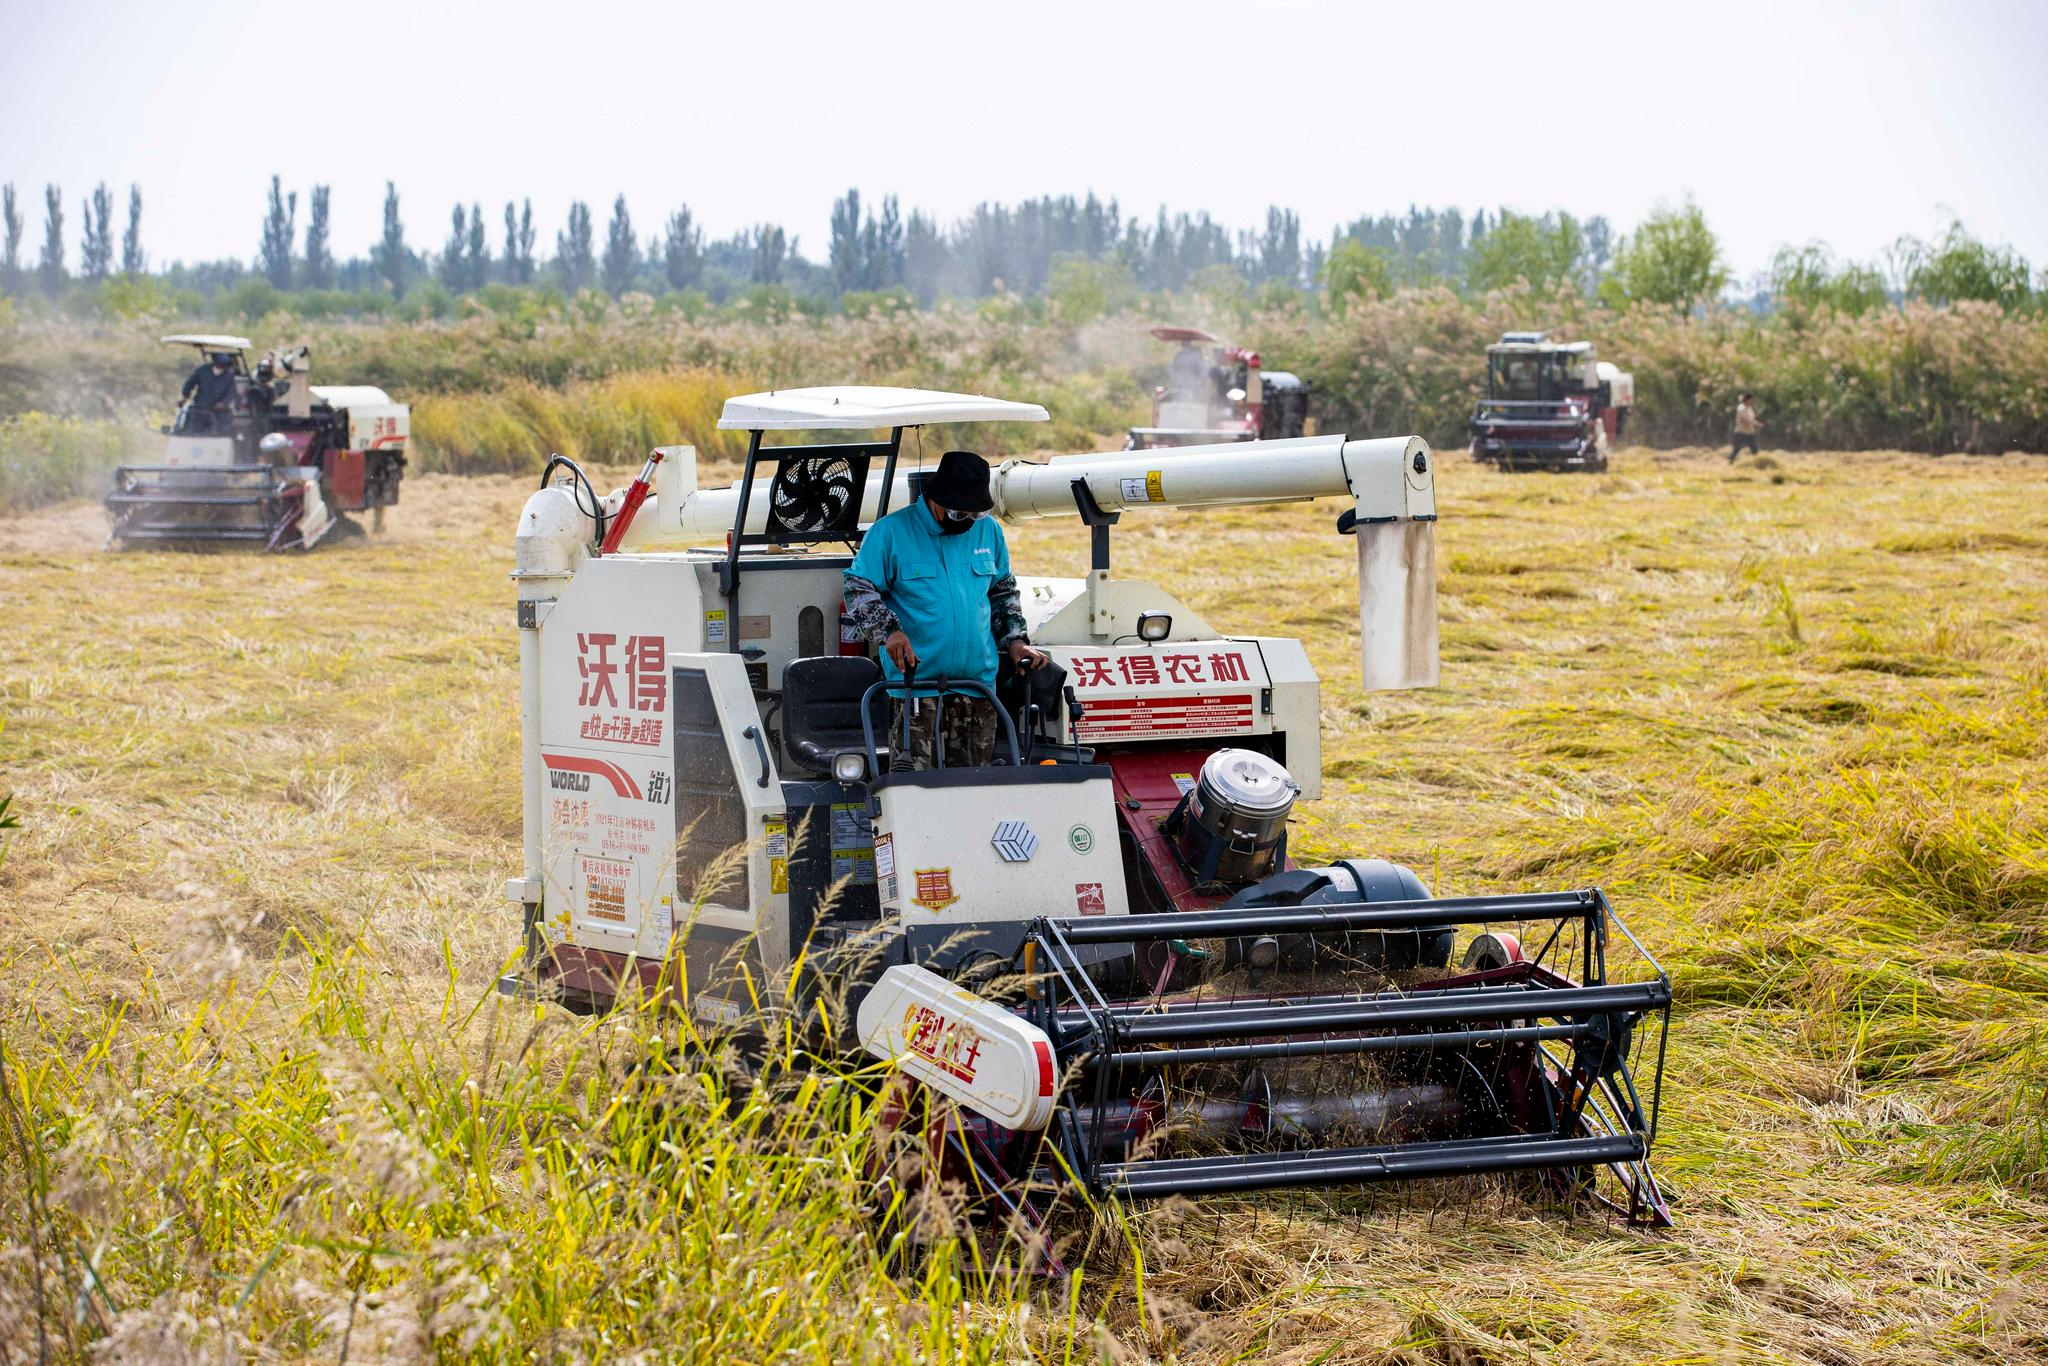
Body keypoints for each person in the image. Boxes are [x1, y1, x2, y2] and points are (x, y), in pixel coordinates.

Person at [843, 450, 1049, 769]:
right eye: (959, 514)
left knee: (973, 790)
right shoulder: (891, 533)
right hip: (916, 688)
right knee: (916, 787)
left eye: (975, 515)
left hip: (977, 687)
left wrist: (1016, 641)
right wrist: (889, 632)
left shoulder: (989, 532)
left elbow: (1002, 591)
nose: (967, 522)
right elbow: (858, 588)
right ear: (936, 500)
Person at [179, 352, 239, 434]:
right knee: (193, 430)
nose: (220, 369)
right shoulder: (202, 370)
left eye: (223, 367)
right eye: (219, 366)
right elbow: (190, 383)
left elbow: (232, 392)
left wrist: (223, 403)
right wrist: (185, 397)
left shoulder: (229, 376)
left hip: (218, 411)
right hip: (200, 407)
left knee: (217, 432)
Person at [1730, 393, 1762, 462]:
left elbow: (1751, 419)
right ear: (1747, 400)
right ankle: (1730, 462)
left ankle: (1757, 463)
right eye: (1751, 400)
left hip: (1750, 432)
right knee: (1736, 449)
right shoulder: (1741, 408)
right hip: (1741, 432)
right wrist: (1757, 424)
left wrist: (1756, 422)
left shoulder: (1749, 408)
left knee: (1754, 449)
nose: (1752, 401)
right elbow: (1746, 420)